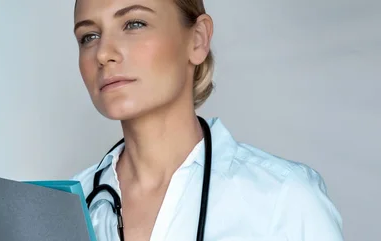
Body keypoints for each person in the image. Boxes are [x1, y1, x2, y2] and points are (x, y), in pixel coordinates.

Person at [70, 0, 344, 240]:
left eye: (134, 23)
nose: (104, 53)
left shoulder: (286, 200)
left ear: (198, 39)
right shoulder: (65, 205)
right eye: (89, 36)